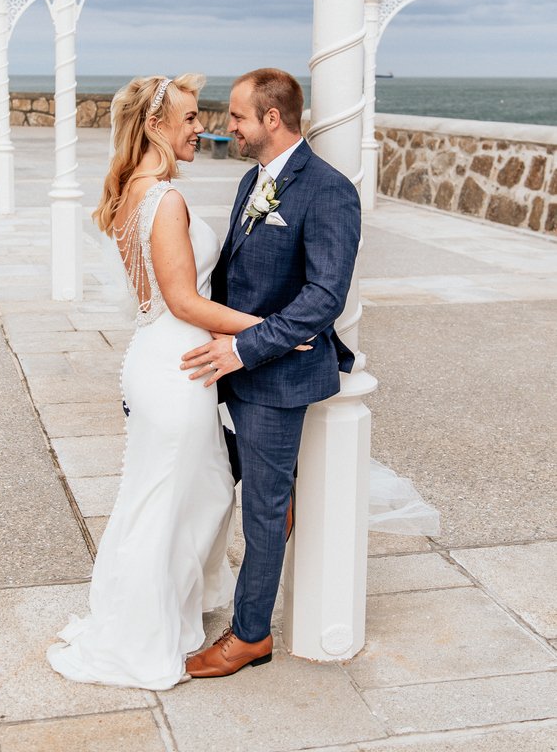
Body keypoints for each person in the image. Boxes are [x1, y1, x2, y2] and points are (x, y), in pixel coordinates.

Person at [47, 74, 268, 690]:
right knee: (166, 503)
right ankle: (138, 635)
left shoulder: (129, 193)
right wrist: (271, 328)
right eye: (192, 117)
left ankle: (162, 613)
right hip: (178, 367)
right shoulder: (164, 199)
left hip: (160, 357)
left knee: (197, 493)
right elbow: (184, 300)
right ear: (155, 125)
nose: (204, 127)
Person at [180, 68, 361, 679]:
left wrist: (245, 348)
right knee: (212, 474)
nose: (224, 127)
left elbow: (323, 298)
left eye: (235, 117)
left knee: (260, 511)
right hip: (233, 365)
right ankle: (279, 487)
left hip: (277, 375)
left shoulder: (328, 190)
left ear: (271, 120)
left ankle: (251, 635)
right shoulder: (252, 180)